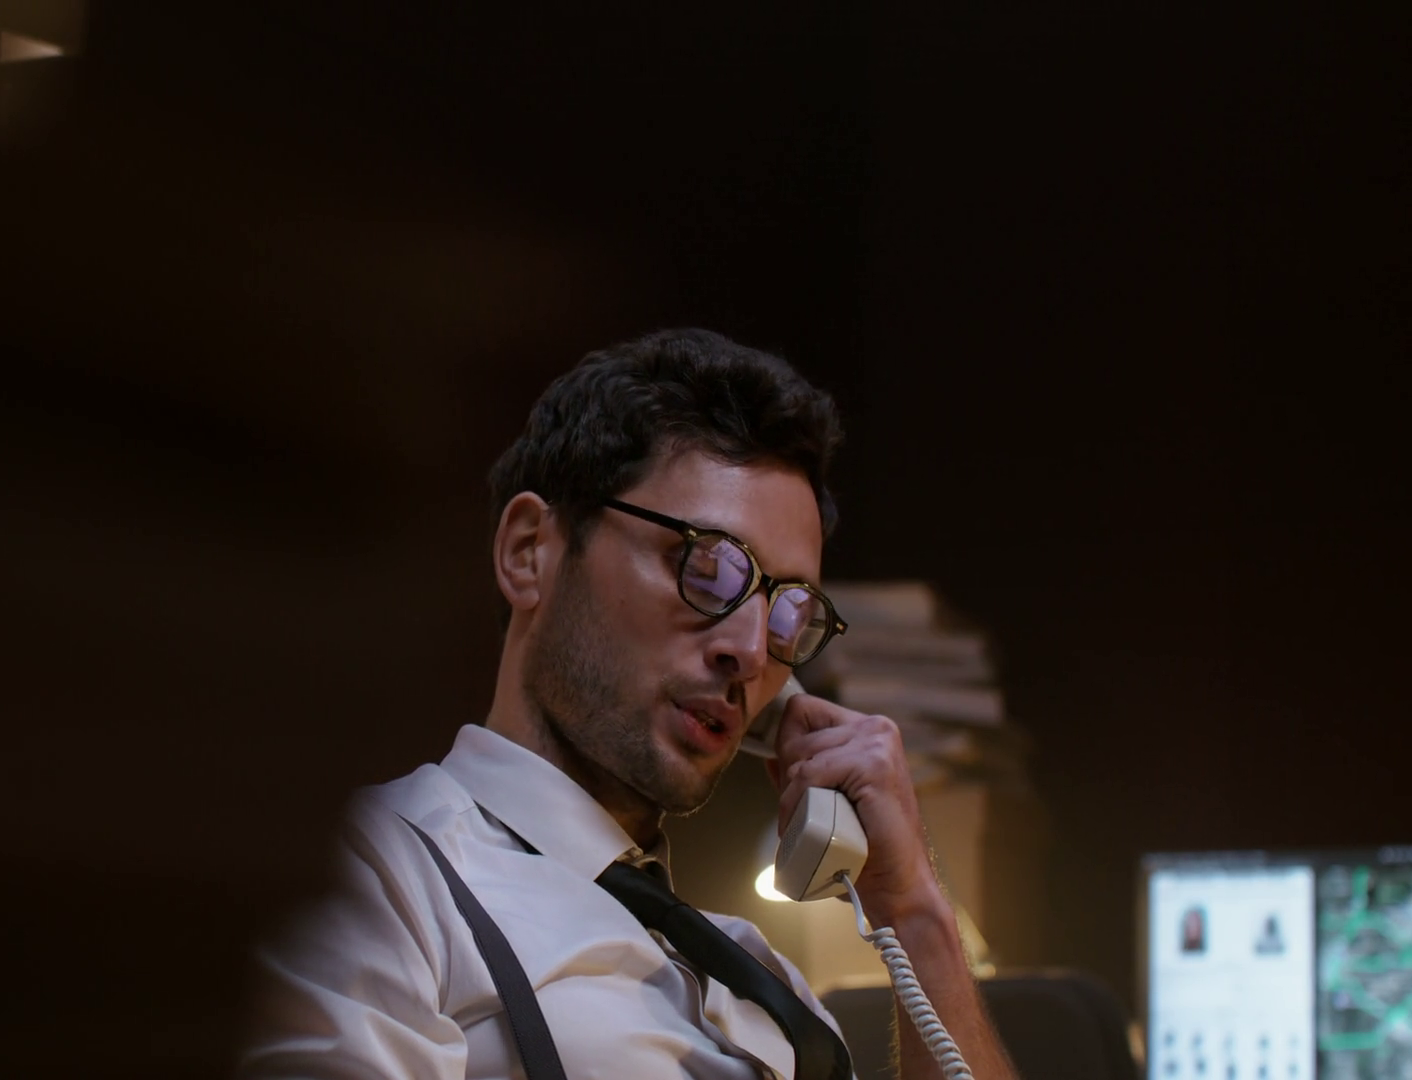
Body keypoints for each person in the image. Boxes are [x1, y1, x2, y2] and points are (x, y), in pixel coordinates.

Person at [237, 329, 1018, 1080]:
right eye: (707, 568)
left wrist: (912, 910)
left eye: (788, 613)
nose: (751, 650)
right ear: (530, 552)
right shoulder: (376, 871)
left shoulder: (766, 987)